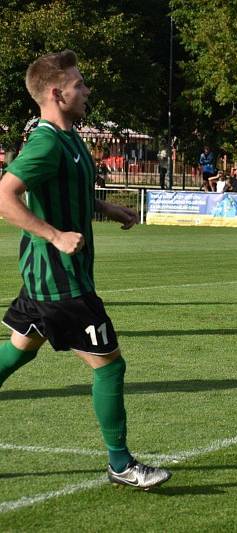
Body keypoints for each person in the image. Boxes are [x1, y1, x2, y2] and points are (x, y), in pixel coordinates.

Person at [0, 50, 171, 489]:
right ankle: (121, 464)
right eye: (79, 84)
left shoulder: (69, 137)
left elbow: (65, 189)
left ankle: (120, 463)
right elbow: (5, 197)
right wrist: (54, 235)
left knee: (19, 351)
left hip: (47, 276)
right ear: (57, 94)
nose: (86, 90)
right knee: (109, 367)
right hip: (60, 279)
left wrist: (106, 208)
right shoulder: (45, 141)